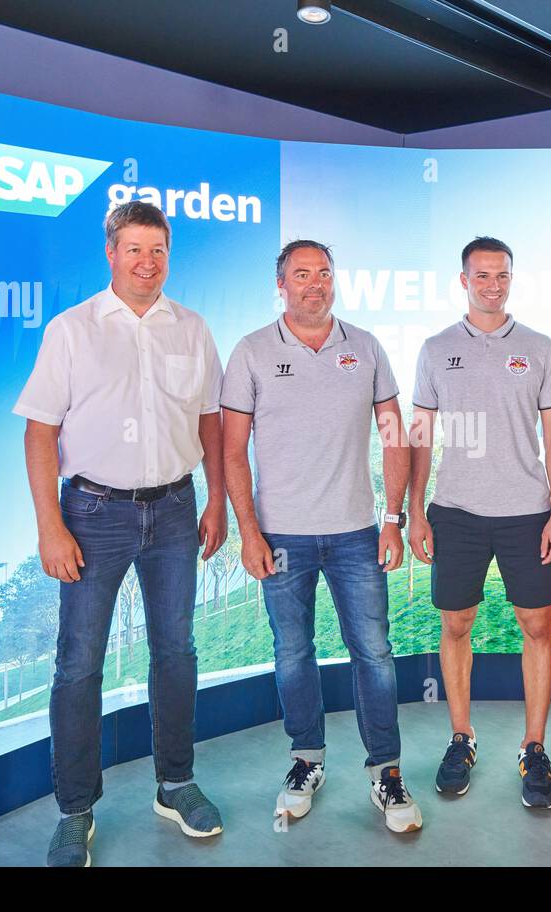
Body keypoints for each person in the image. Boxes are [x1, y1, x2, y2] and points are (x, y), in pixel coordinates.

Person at [14, 201, 228, 867]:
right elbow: (40, 430)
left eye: (158, 250)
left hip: (172, 512)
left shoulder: (192, 329)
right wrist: (50, 526)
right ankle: (76, 811)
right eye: (134, 249)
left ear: (169, 254)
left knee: (177, 652)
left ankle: (175, 783)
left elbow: (211, 421)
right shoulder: (72, 330)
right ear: (111, 253)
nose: (147, 262)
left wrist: (216, 498)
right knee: (79, 665)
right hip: (93, 515)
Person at [220, 240, 421, 834]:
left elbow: (393, 435)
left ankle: (386, 771)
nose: (315, 284)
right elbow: (233, 452)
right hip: (281, 536)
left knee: (375, 655)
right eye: (302, 274)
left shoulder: (365, 347)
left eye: (325, 274)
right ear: (280, 284)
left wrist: (393, 518)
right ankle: (306, 760)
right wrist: (247, 530)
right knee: (293, 654)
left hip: (358, 533)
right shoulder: (252, 351)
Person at [408, 237, 551, 810]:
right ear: (464, 281)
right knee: (457, 624)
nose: (493, 284)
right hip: (456, 512)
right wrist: (414, 509)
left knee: (537, 628)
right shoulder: (434, 349)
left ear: (511, 278)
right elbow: (420, 437)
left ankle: (534, 747)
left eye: (502, 275)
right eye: (482, 276)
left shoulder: (539, 347)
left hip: (528, 512)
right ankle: (462, 738)